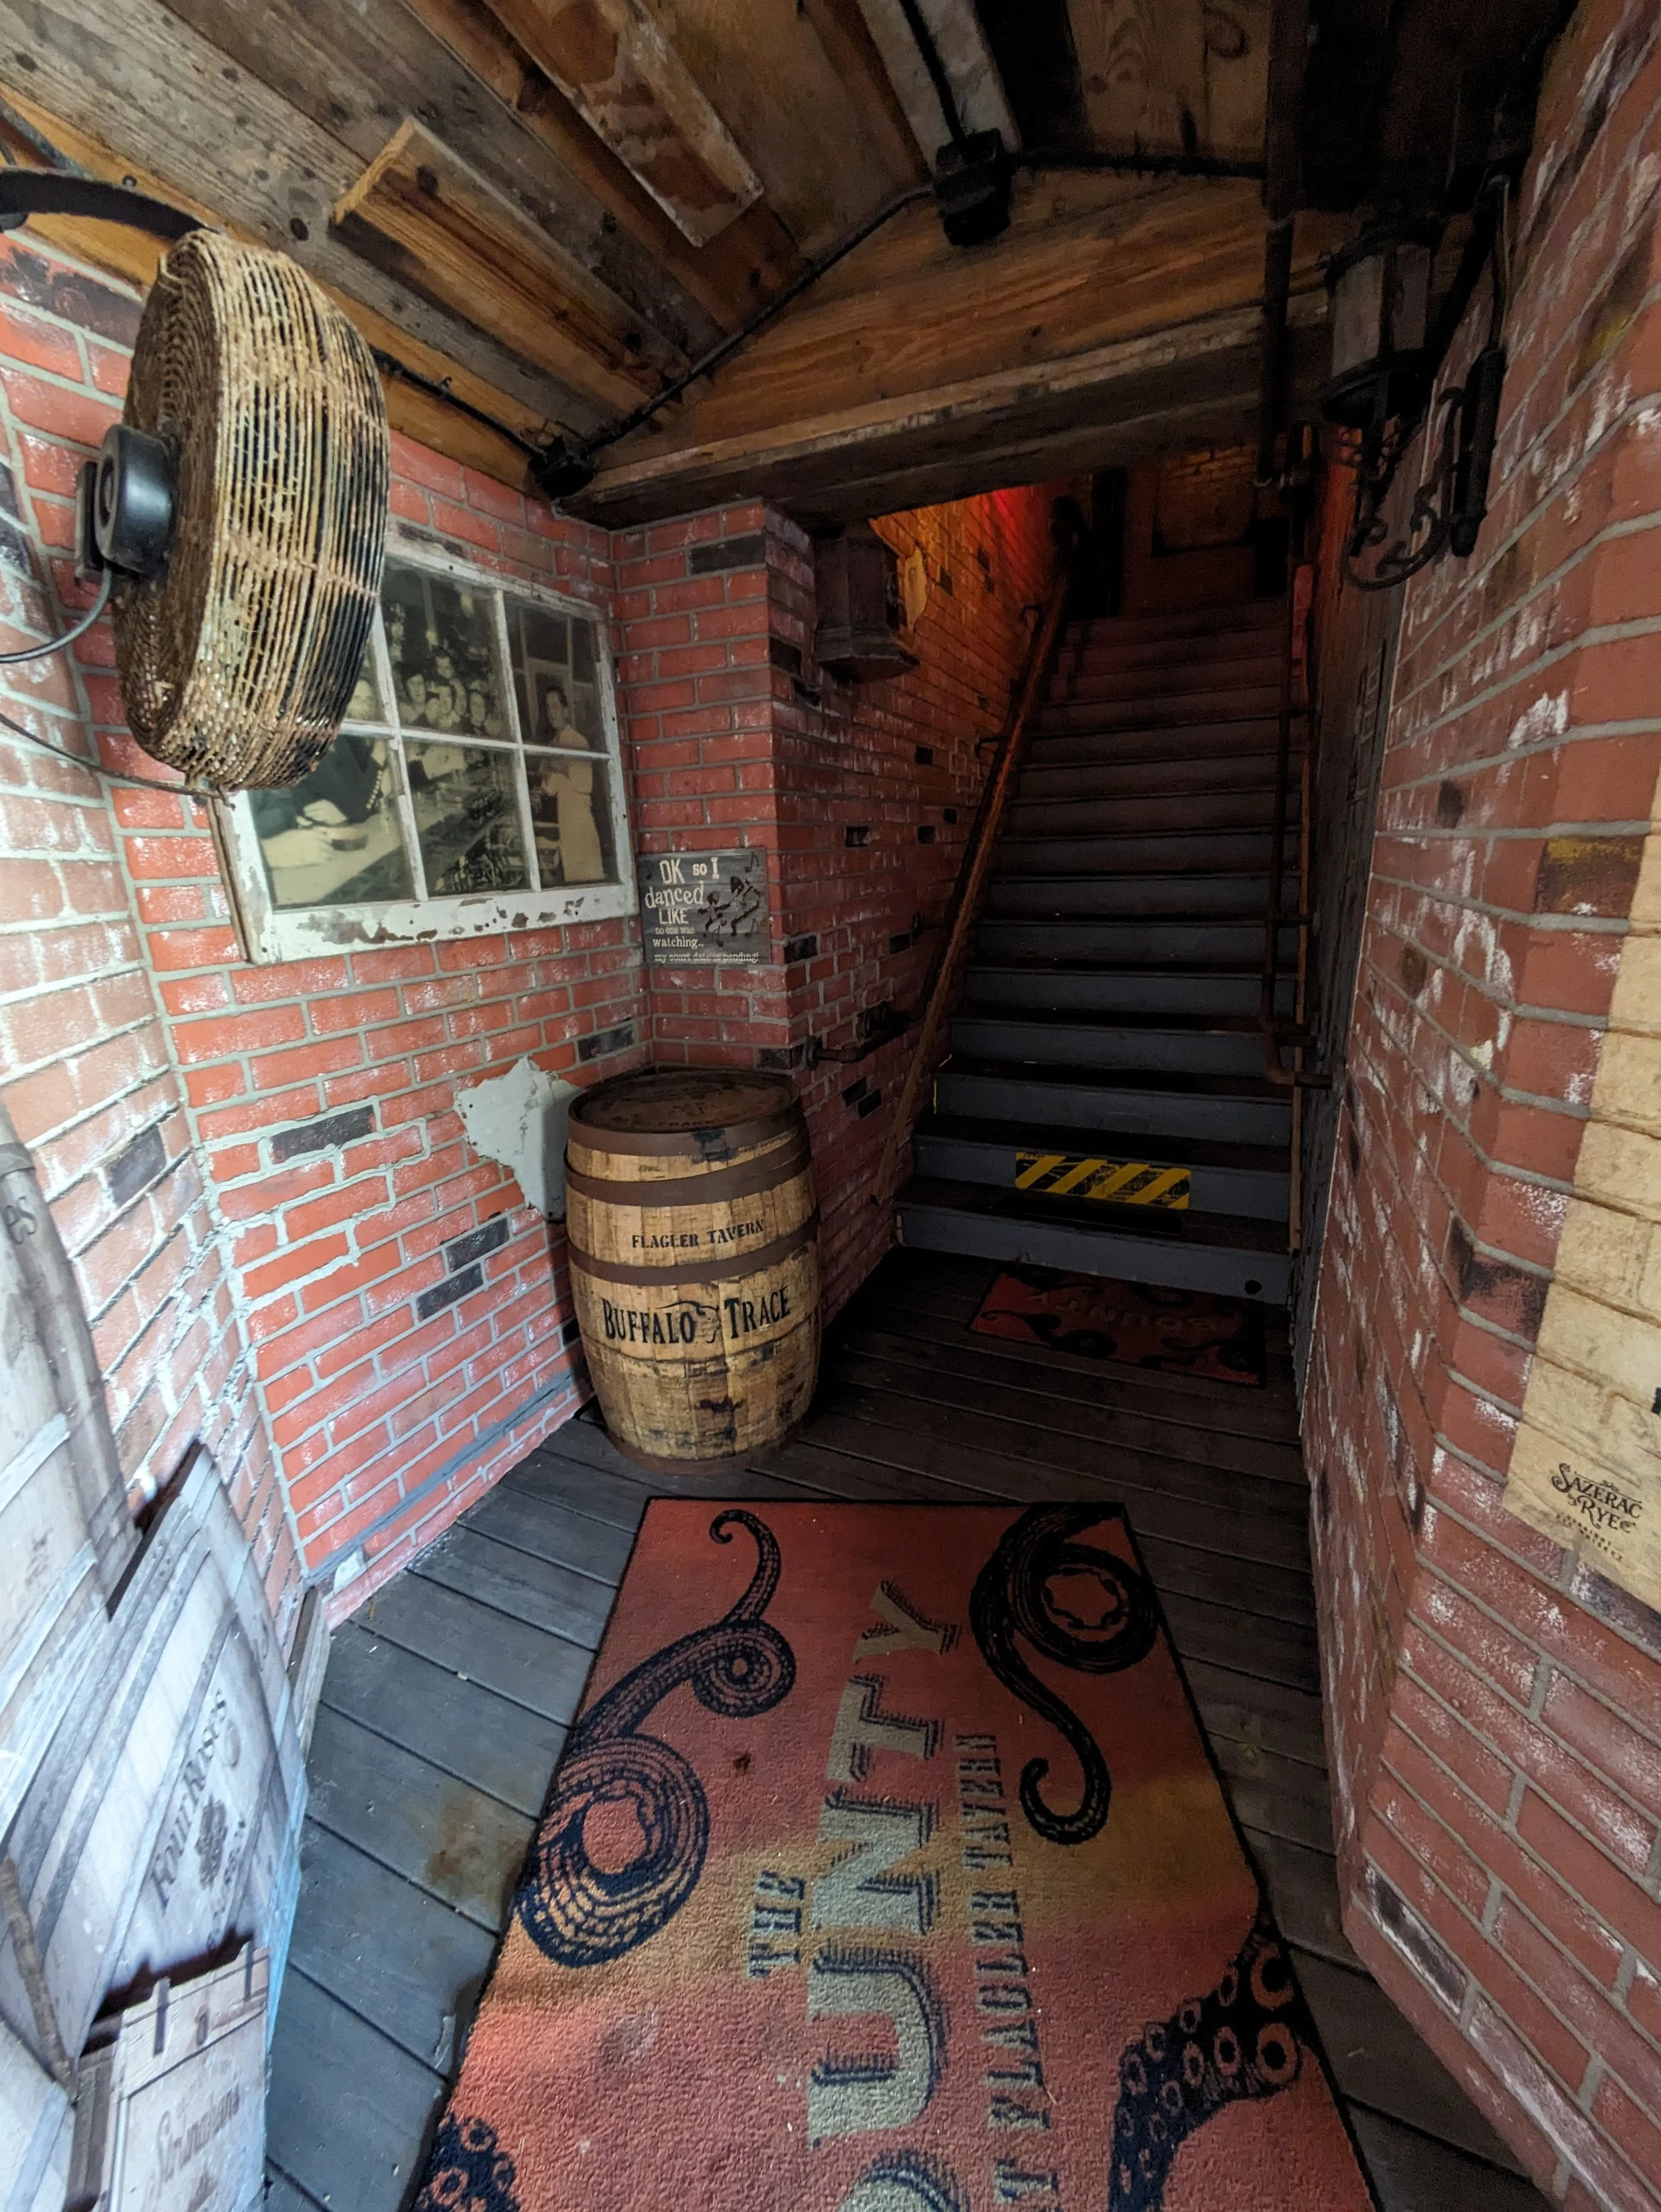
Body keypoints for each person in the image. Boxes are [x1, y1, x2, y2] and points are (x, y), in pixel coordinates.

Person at [534, 684, 604, 882]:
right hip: (562, 822)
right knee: (571, 878)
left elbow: (585, 785)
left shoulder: (578, 742)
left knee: (587, 878)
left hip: (580, 822)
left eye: (556, 707)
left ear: (566, 710)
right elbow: (549, 787)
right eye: (548, 708)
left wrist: (557, 764)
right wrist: (539, 788)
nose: (552, 713)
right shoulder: (551, 745)